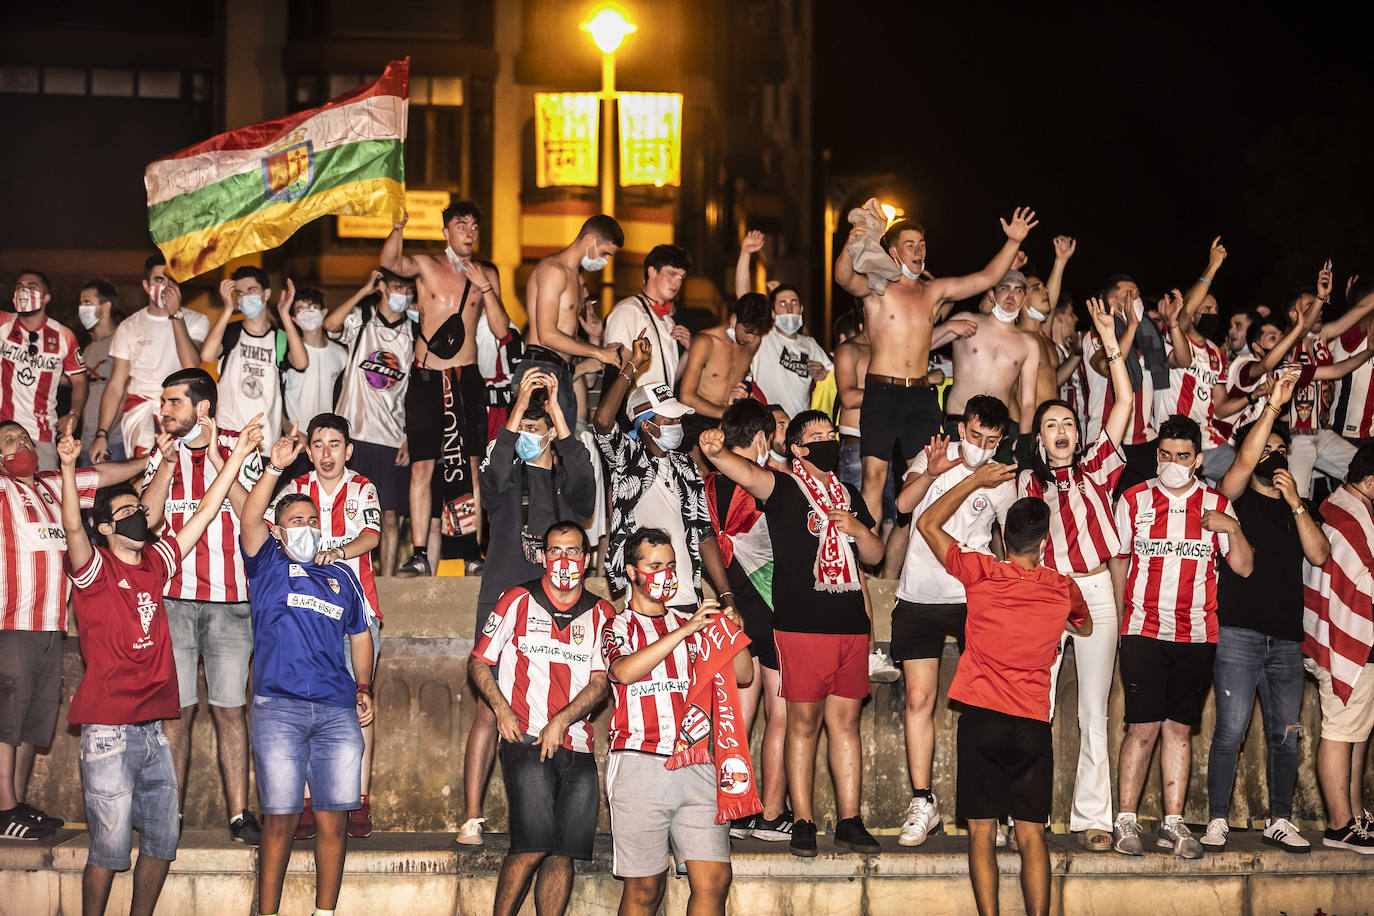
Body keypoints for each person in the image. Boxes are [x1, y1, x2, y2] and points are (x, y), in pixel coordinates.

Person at [61, 420, 261, 916]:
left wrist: (236, 455)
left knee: (161, 841)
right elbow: (71, 527)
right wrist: (68, 468)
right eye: (126, 512)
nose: (138, 515)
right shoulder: (94, 569)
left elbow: (208, 509)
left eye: (140, 510)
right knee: (108, 847)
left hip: (155, 732)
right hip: (108, 731)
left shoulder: (156, 563)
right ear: (106, 528)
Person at [700, 411, 884, 857]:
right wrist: (714, 449)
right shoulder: (781, 488)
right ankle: (801, 821)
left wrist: (858, 528)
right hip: (801, 627)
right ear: (797, 448)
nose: (827, 442)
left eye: (831, 435)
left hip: (849, 627)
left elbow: (873, 556)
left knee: (846, 725)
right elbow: (741, 470)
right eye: (815, 437)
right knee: (803, 726)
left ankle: (849, 819)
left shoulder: (848, 495)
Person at [915, 467, 1091, 916]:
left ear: (1002, 537)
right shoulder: (1061, 588)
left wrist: (974, 482)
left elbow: (926, 524)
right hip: (1032, 722)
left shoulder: (980, 572)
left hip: (982, 720)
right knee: (1031, 834)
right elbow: (1084, 625)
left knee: (980, 832)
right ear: (1044, 543)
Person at [239, 429, 375, 916]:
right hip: (278, 708)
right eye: (296, 520)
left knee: (333, 820)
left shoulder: (340, 576)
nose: (306, 526)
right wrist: (274, 467)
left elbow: (360, 634)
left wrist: (364, 686)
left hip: (337, 710)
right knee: (279, 818)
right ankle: (268, 911)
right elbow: (250, 515)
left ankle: (325, 912)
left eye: (312, 520)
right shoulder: (267, 561)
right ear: (278, 529)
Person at [833, 204, 1035, 526]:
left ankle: (920, 554)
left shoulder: (933, 290)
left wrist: (1012, 241)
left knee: (924, 477)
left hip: (921, 395)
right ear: (894, 251)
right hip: (882, 391)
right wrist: (853, 240)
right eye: (910, 244)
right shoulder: (878, 286)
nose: (918, 250)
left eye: (922, 244)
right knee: (874, 478)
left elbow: (986, 278)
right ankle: (862, 571)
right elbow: (843, 276)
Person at [1018, 297, 1134, 852]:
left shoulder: (1097, 468)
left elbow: (1126, 401)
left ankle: (1094, 818)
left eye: (1067, 422)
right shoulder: (1028, 485)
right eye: (1051, 425)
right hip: (1045, 595)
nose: (1061, 429)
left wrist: (1110, 343)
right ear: (1040, 440)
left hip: (1094, 591)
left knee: (1093, 710)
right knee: (1036, 706)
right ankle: (1028, 817)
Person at [1110, 415, 1254, 859]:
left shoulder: (1217, 505)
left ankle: (1173, 824)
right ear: (1158, 455)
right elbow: (1118, 562)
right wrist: (1121, 625)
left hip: (1196, 635)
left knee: (1179, 729)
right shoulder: (1133, 500)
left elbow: (1244, 567)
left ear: (1198, 459)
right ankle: (1125, 821)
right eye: (1166, 455)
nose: (1173, 464)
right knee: (1142, 729)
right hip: (1143, 630)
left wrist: (1231, 528)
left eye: (1183, 457)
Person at [461, 371, 595, 847]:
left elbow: (585, 485)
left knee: (559, 705)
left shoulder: (565, 490)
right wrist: (516, 410)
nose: (530, 440)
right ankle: (472, 817)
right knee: (487, 713)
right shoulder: (502, 487)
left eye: (539, 434)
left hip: (558, 610)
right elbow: (492, 469)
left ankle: (549, 819)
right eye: (525, 432)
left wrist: (558, 414)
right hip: (503, 602)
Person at [0, 419, 146, 840]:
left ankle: (16, 803)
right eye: (10, 441)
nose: (22, 444)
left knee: (32, 722)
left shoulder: (51, 484)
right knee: (6, 721)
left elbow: (103, 475)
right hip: (11, 622)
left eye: (25, 438)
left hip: (51, 625)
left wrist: (149, 460)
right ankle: (2, 808)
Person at [138, 368, 266, 845]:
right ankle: (168, 814)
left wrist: (217, 459)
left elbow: (257, 512)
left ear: (203, 407)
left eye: (174, 402)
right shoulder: (161, 452)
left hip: (231, 603)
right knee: (175, 713)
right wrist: (167, 466)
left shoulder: (241, 445)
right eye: (164, 401)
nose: (164, 410)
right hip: (171, 600)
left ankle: (239, 814)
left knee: (231, 710)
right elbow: (145, 522)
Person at [601, 528, 752, 916]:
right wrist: (685, 630)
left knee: (714, 882)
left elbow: (743, 674)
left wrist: (731, 630)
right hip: (639, 764)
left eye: (671, 565)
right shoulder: (616, 625)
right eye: (655, 566)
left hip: (697, 762)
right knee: (645, 890)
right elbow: (623, 671)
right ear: (631, 573)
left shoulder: (695, 621)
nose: (666, 574)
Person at [1201, 369, 1321, 853]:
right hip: (1238, 634)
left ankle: (1279, 819)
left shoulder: (1299, 505)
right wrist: (1271, 404)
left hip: (1286, 640)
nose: (1271, 456)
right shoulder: (1232, 497)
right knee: (1229, 731)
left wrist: (1295, 502)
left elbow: (1319, 554)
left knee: (1286, 735)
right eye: (1262, 447)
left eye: (1279, 449)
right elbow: (1244, 460)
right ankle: (1216, 820)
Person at [469, 522, 614, 916]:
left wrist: (562, 721)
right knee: (532, 845)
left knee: (563, 853)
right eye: (555, 551)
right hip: (525, 738)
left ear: (586, 560)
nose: (563, 560)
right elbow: (480, 661)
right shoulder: (517, 599)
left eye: (572, 552)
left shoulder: (603, 612)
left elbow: (601, 683)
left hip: (577, 744)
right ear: (543, 556)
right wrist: (501, 709)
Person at [889, 396, 1015, 847]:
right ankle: (923, 801)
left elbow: (1007, 544)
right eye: (976, 435)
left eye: (992, 440)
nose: (982, 446)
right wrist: (932, 472)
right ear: (963, 428)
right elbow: (903, 506)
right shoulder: (934, 453)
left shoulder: (1001, 478)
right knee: (919, 699)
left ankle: (990, 807)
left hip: (973, 596)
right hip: (921, 592)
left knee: (984, 704)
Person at [269, 414, 383, 840]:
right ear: (308, 449)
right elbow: (267, 528)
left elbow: (372, 536)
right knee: (302, 705)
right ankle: (303, 802)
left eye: (335, 444)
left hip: (360, 610)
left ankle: (359, 802)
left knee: (361, 701)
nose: (326, 453)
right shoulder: (294, 488)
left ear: (348, 450)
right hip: (308, 612)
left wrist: (335, 553)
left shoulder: (363, 486)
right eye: (318, 444)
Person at [382, 201, 510, 576]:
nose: (469, 231)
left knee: (471, 465)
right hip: (426, 379)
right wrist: (397, 228)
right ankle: (420, 553)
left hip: (466, 378)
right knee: (423, 466)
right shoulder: (426, 265)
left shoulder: (485, 273)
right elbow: (391, 263)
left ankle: (471, 552)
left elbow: (501, 330)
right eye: (461, 225)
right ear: (446, 232)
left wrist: (485, 287)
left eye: (474, 226)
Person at [593, 336, 735, 619]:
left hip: (689, 602)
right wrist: (634, 363)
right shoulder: (626, 457)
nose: (677, 425)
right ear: (646, 425)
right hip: (648, 606)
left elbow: (705, 535)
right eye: (669, 420)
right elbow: (603, 421)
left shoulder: (687, 466)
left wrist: (726, 596)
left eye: (678, 419)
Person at [706, 400, 792, 842]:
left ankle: (735, 811)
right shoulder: (766, 483)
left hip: (732, 610)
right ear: (761, 439)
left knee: (738, 714)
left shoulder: (705, 485)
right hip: (772, 607)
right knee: (780, 714)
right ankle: (773, 815)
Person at [1303, 443, 1374, 853]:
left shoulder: (1345, 507)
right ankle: (1338, 823)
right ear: (1369, 481)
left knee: (1356, 733)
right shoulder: (1347, 518)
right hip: (1345, 640)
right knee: (1340, 730)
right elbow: (1355, 585)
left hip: (1352, 639)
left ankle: (1356, 815)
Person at [325, 268, 416, 577]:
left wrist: (410, 437)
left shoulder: (414, 334)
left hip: (392, 439)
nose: (401, 293)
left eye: (407, 288)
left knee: (390, 518)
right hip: (354, 435)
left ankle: (386, 582)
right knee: (348, 512)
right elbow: (330, 325)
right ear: (383, 287)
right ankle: (345, 576)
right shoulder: (363, 320)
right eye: (396, 286)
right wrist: (364, 290)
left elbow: (416, 390)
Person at [92, 254, 209, 461]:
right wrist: (102, 433)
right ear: (146, 285)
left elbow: (191, 365)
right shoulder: (129, 326)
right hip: (141, 411)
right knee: (144, 470)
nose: (166, 286)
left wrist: (175, 314)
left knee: (181, 469)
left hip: (181, 410)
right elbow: (116, 385)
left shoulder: (196, 320)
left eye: (172, 280)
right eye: (159, 279)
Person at [520, 214, 626, 423]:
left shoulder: (576, 277)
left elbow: (566, 335)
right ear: (589, 240)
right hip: (541, 367)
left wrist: (595, 339)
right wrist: (599, 352)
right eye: (604, 253)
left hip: (563, 369)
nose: (605, 261)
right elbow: (547, 335)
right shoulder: (553, 270)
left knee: (568, 447)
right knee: (541, 450)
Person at [201, 267, 308, 442]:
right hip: (229, 435)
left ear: (266, 294)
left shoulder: (279, 338)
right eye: (240, 293)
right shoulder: (231, 331)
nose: (246, 297)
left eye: (252, 290)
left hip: (265, 438)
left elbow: (301, 363)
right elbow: (207, 355)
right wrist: (228, 309)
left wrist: (285, 315)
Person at [3, 269, 87, 470]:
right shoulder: (3, 323)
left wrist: (73, 414)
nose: (24, 291)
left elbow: (80, 381)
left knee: (45, 494)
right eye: (19, 287)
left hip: (40, 433)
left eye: (31, 287)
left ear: (46, 297)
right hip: (3, 431)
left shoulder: (63, 336)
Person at [945, 270, 1041, 442]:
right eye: (1005, 288)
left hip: (1001, 428)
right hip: (960, 420)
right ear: (992, 294)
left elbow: (1028, 403)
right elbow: (923, 345)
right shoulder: (966, 321)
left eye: (1018, 290)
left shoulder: (1029, 344)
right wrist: (947, 327)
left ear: (1025, 299)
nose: (1011, 295)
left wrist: (1025, 442)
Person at [604, 243, 693, 394]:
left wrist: (690, 351)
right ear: (652, 271)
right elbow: (619, 368)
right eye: (672, 274)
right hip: (635, 411)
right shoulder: (628, 310)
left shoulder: (667, 319)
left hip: (658, 411)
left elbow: (668, 380)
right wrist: (639, 409)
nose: (677, 283)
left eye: (681, 277)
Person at [676, 293, 773, 420]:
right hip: (700, 419)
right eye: (747, 332)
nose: (751, 339)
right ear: (734, 319)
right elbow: (686, 397)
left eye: (757, 334)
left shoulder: (754, 342)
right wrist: (727, 414)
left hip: (731, 418)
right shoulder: (705, 342)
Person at [747, 283, 832, 420]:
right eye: (782, 304)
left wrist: (823, 376)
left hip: (799, 428)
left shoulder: (810, 344)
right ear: (772, 313)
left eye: (794, 303)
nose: (789, 309)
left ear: (801, 309)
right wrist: (745, 260)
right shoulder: (763, 338)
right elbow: (744, 297)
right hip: (767, 423)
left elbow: (834, 378)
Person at [282, 286, 348, 438]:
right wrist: (292, 432)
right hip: (297, 437)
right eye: (300, 309)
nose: (307, 312)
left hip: (329, 437)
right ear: (293, 319)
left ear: (324, 312)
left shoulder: (341, 354)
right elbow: (275, 399)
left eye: (312, 307)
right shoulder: (288, 353)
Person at [77, 279, 125, 464]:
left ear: (106, 306)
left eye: (87, 302)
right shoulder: (90, 348)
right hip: (88, 441)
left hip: (112, 442)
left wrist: (103, 435)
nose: (82, 308)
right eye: (81, 303)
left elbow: (122, 393)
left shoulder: (120, 341)